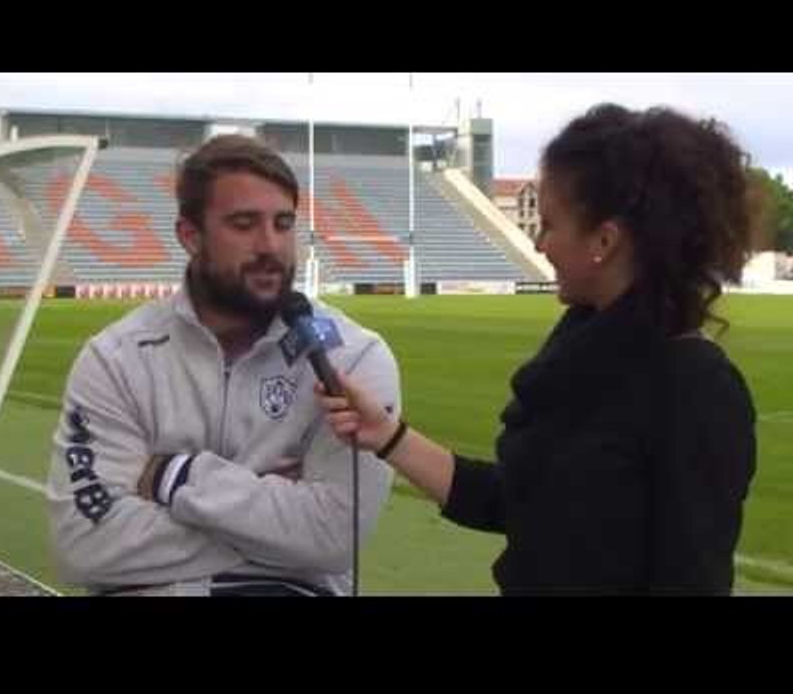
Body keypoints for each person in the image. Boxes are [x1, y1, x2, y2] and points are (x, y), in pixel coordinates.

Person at [319, 104, 759, 594]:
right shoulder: (580, 359)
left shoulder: (694, 387)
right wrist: (387, 436)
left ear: (604, 240)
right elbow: (517, 501)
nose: (539, 245)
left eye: (549, 225)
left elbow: (692, 579)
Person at [47, 134, 399, 596]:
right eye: (243, 224)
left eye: (283, 223)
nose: (270, 245)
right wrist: (280, 529)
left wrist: (176, 478)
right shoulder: (116, 358)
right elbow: (84, 543)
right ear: (190, 236)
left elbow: (334, 536)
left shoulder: (351, 357)